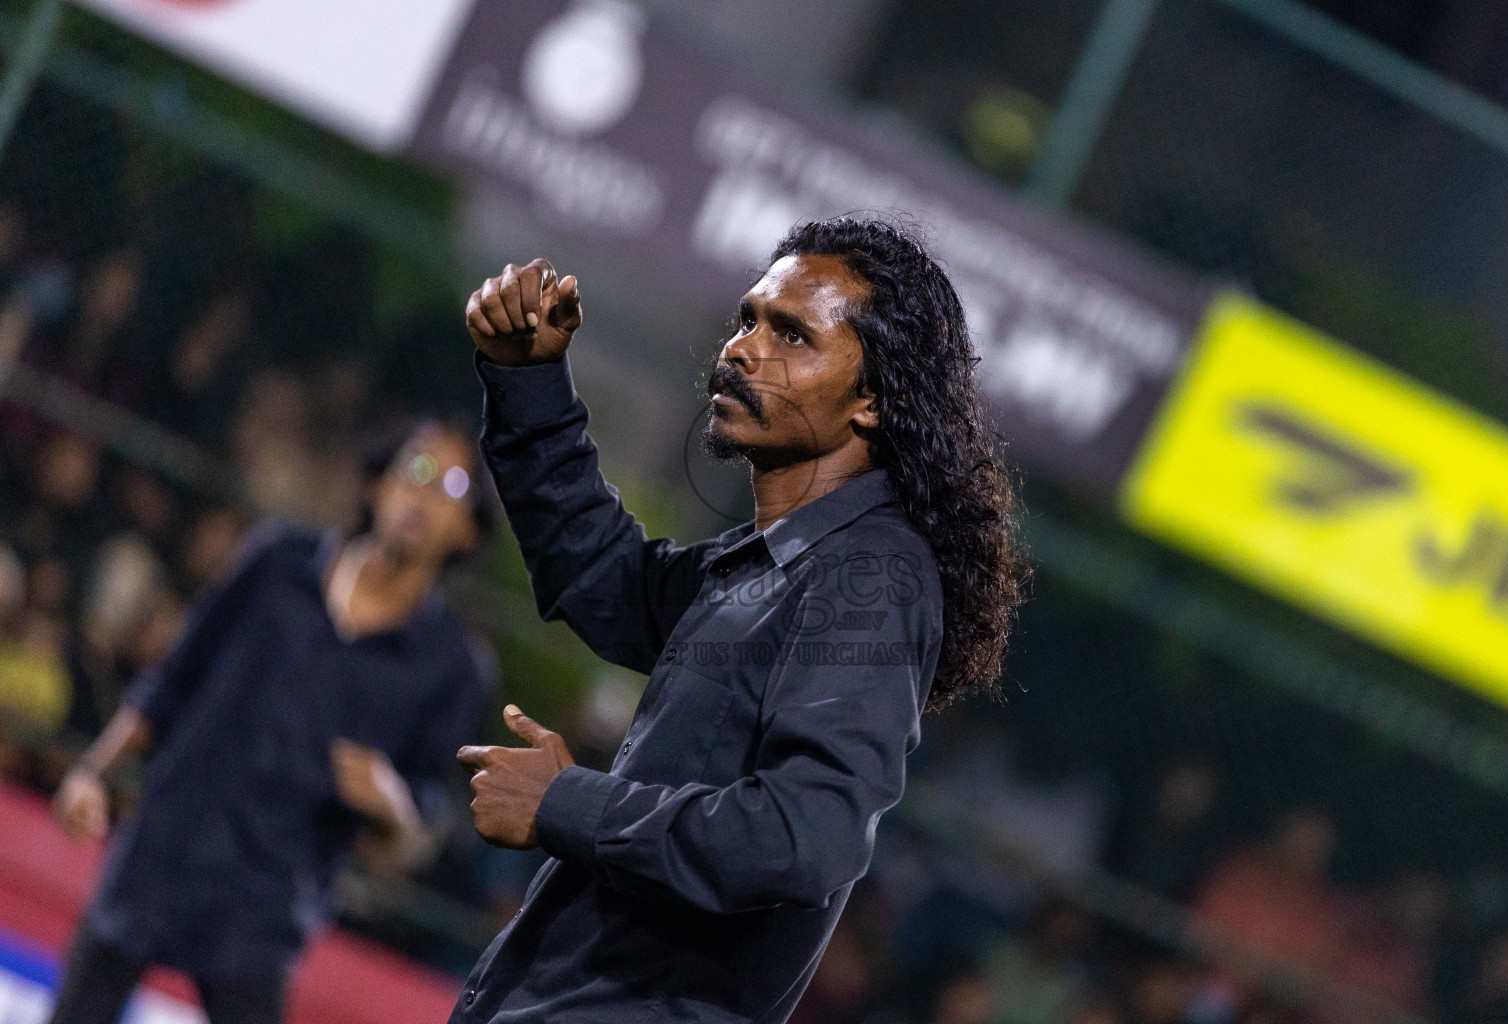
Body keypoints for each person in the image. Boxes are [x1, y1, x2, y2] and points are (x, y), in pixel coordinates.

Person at [451, 216, 1027, 1022]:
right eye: (747, 320)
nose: (744, 347)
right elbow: (608, 582)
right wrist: (529, 381)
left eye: (791, 334)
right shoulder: (789, 562)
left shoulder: (872, 577)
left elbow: (800, 836)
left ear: (873, 400)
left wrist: (567, 805)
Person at [46, 421, 498, 1024]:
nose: (424, 492)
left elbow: (419, 814)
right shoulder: (276, 562)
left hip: (266, 908)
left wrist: (391, 804)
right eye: (415, 469)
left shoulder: (454, 668)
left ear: (468, 530)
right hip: (160, 853)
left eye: (453, 484)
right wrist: (90, 773)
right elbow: (172, 681)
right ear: (377, 483)